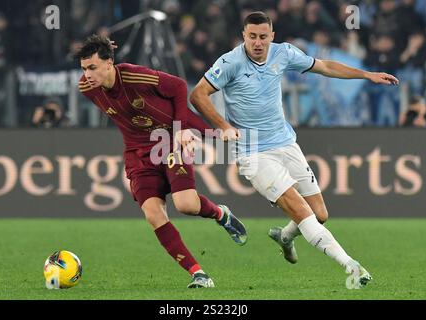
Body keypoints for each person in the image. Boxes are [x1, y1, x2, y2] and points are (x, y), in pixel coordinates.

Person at [190, 11, 399, 289]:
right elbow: (198, 94)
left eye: (263, 37)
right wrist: (223, 126)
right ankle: (351, 266)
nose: (257, 42)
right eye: (252, 36)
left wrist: (366, 74)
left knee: (320, 214)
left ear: (272, 37)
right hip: (252, 152)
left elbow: (325, 66)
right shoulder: (230, 62)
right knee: (302, 212)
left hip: (285, 143)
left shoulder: (284, 53)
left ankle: (285, 237)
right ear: (243, 36)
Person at [74, 35, 247, 289]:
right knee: (154, 215)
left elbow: (178, 86)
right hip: (137, 154)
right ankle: (198, 274)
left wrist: (186, 129)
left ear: (109, 63)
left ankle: (221, 214)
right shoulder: (87, 89)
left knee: (187, 205)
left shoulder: (134, 76)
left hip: (168, 142)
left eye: (92, 68)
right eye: (83, 69)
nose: (87, 75)